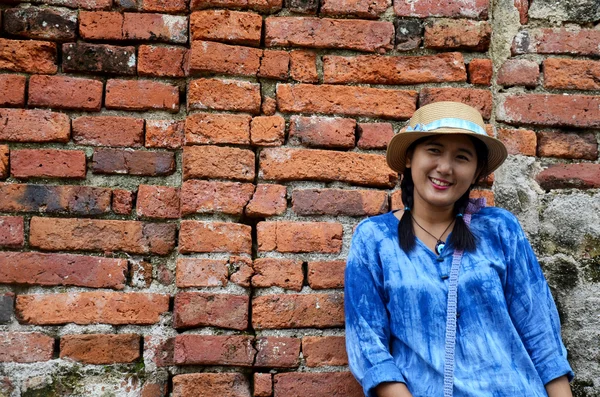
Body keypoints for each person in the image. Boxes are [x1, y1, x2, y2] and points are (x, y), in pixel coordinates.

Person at [344, 101, 574, 397]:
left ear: (476, 171)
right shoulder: (374, 238)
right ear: (410, 158)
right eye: (434, 150)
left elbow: (542, 336)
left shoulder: (500, 229)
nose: (445, 167)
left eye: (461, 157)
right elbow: (369, 349)